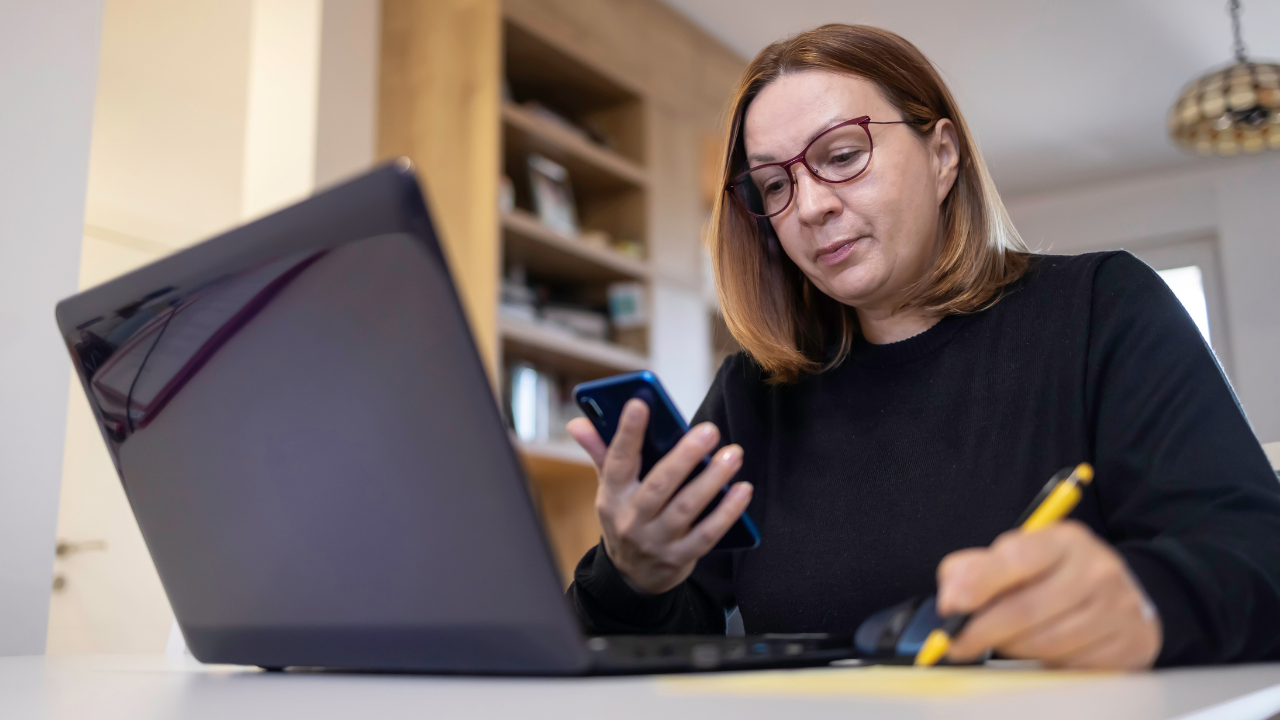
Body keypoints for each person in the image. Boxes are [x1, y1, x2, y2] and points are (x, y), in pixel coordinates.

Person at [565, 24, 1280, 669]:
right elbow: (654, 648)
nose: (810, 206)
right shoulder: (755, 395)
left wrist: (1145, 600)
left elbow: (1257, 562)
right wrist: (632, 576)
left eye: (842, 155)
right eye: (775, 184)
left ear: (942, 155)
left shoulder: (1104, 309)